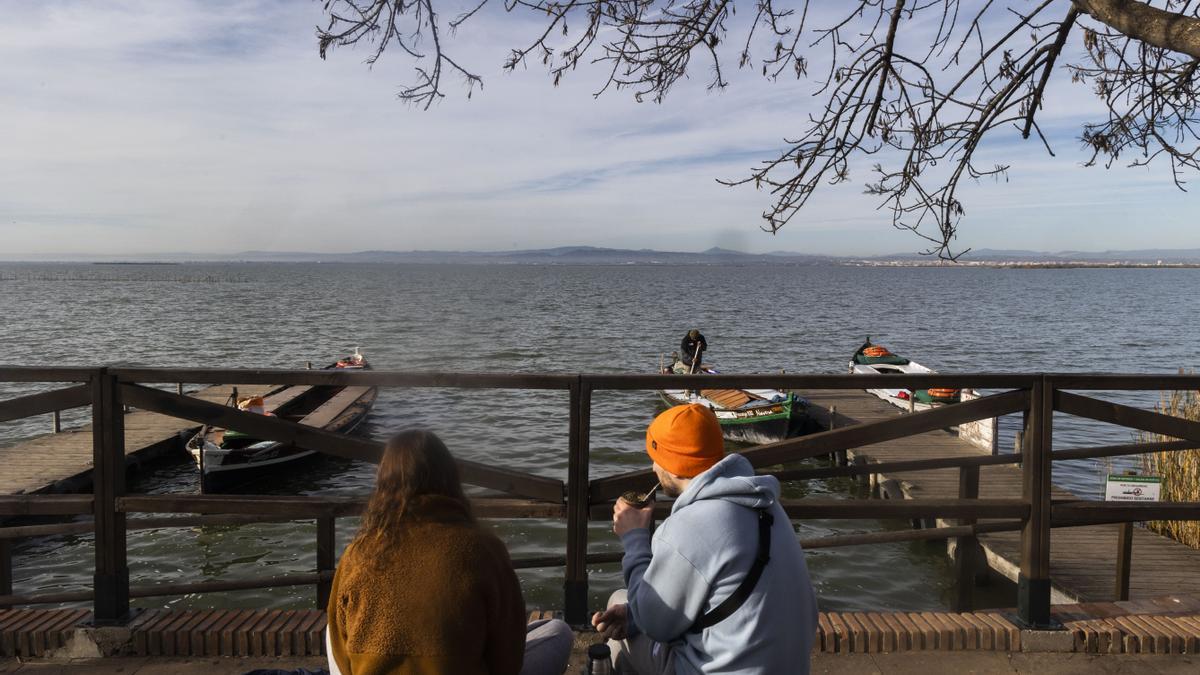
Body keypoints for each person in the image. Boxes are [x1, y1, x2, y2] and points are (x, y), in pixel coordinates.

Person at [591, 404, 818, 675]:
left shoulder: (690, 526)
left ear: (675, 468)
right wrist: (634, 616)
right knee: (631, 608)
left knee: (620, 632)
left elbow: (654, 624)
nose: (653, 467)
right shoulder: (766, 504)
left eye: (657, 457)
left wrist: (635, 538)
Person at [326, 429, 574, 675]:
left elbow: (342, 655)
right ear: (451, 478)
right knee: (557, 632)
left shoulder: (357, 554)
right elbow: (507, 661)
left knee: (332, 626)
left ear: (382, 483)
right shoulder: (483, 548)